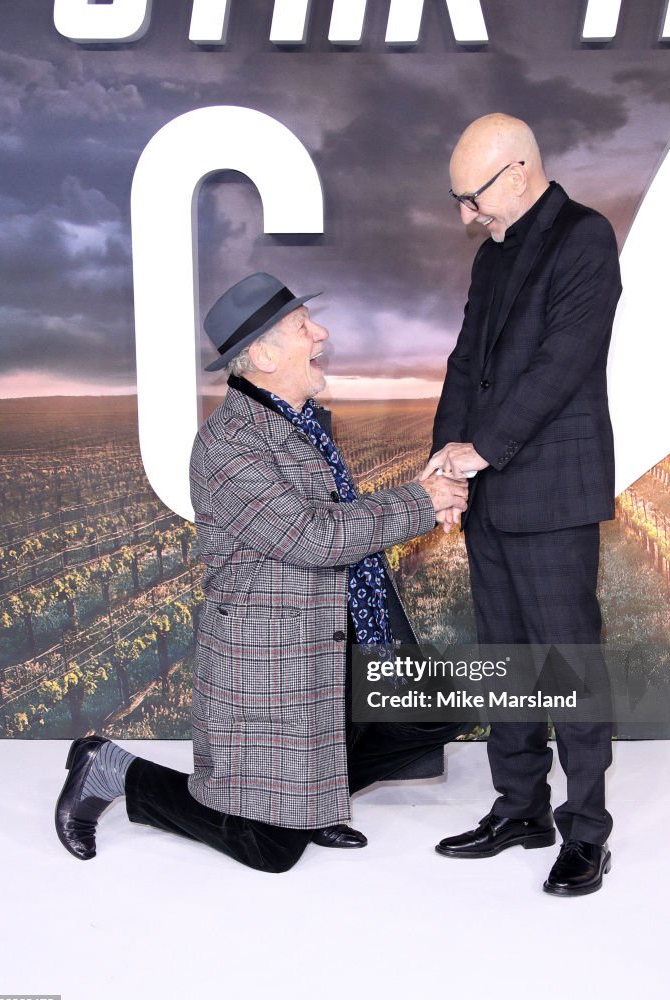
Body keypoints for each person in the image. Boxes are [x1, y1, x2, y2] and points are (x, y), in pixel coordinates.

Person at [55, 272, 468, 873]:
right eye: (305, 327)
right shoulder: (230, 445)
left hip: (334, 635)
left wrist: (423, 499)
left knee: (440, 709)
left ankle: (312, 797)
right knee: (269, 851)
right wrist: (421, 501)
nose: (321, 332)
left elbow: (333, 522)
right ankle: (112, 769)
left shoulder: (296, 424)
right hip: (273, 661)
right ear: (265, 354)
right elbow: (313, 536)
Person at [423, 114, 622, 896]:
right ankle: (519, 808)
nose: (464, 216)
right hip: (492, 493)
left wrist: (482, 449)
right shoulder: (490, 256)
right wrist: (444, 457)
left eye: (470, 199)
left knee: (569, 666)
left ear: (515, 173)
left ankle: (586, 831)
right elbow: (465, 361)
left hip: (553, 489)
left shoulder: (584, 237)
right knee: (503, 658)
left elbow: (562, 363)